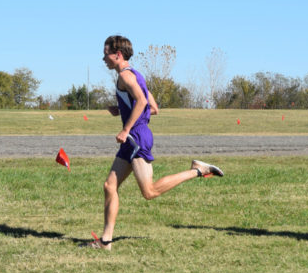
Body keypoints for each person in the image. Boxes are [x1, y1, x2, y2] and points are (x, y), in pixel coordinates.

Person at [87, 35, 224, 250]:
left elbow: (142, 102)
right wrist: (122, 110)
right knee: (109, 186)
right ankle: (106, 241)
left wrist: (125, 128)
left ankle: (197, 170)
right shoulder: (136, 75)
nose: (104, 59)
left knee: (149, 192)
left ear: (118, 55)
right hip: (134, 137)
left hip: (136, 138)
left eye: (106, 54)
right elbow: (154, 108)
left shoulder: (125, 77)